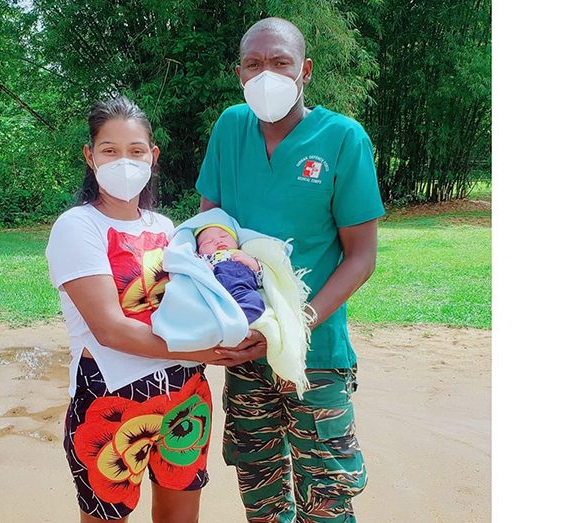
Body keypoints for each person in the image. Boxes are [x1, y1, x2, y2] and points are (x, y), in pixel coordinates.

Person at [195, 17, 386, 523]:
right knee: (260, 493)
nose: (266, 74)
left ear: (305, 69)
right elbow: (209, 228)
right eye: (253, 64)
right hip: (245, 345)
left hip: (315, 354)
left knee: (326, 497)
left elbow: (361, 255)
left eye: (279, 63)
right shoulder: (230, 128)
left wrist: (297, 322)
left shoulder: (343, 138)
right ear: (239, 72)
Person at [45, 95, 264, 523]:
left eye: (135, 150)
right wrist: (196, 352)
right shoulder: (78, 227)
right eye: (109, 150)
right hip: (110, 401)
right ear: (90, 156)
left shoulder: (167, 229)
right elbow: (110, 329)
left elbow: (200, 300)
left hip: (185, 398)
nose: (122, 161)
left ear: (153, 156)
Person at [195, 223, 265, 324]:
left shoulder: (243, 253)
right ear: (199, 251)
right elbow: (190, 262)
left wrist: (252, 263)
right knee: (199, 303)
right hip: (216, 291)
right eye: (208, 242)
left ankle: (235, 323)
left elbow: (260, 279)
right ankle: (217, 321)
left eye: (224, 236)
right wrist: (203, 266)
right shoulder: (206, 258)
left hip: (242, 290)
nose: (218, 241)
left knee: (255, 300)